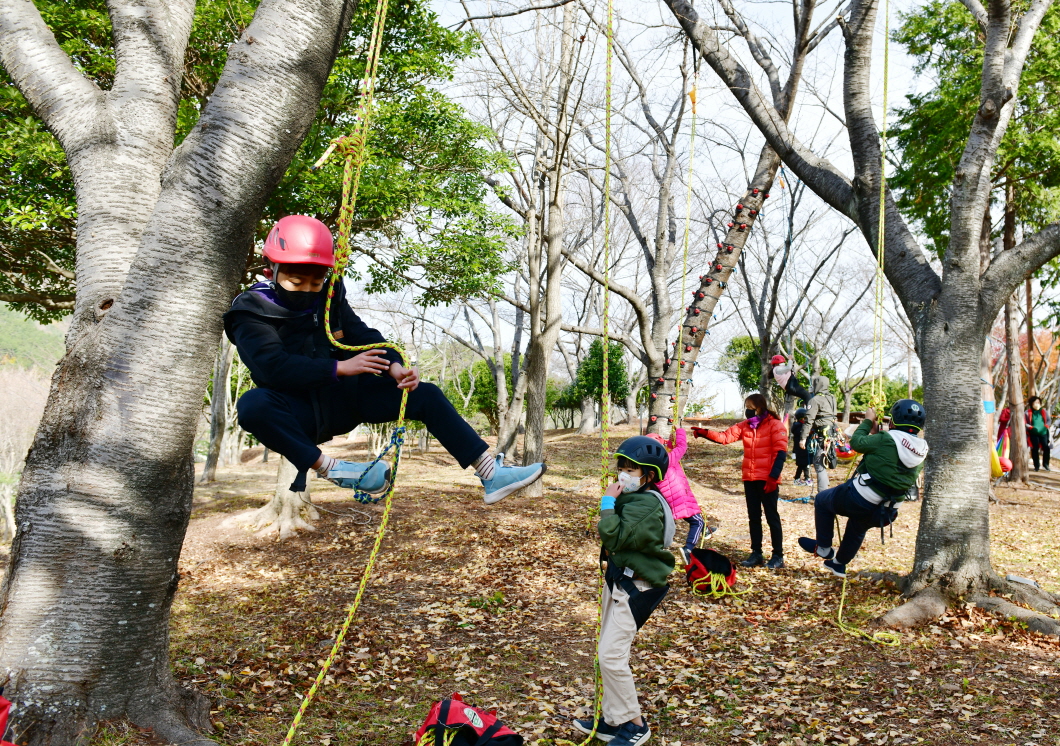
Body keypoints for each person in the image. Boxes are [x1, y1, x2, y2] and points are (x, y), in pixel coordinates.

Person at [226, 215, 545, 504]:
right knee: (253, 406)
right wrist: (339, 367)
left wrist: (394, 365)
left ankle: (491, 473)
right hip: (299, 409)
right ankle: (335, 469)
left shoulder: (331, 294)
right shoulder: (251, 312)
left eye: (316, 282)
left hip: (346, 399)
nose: (308, 290)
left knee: (425, 395)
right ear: (271, 271)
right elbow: (272, 366)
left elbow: (361, 335)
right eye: (296, 283)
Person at [572, 436, 675, 746]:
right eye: (622, 467)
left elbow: (615, 537)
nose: (623, 474)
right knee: (606, 653)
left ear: (649, 476)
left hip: (635, 589)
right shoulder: (635, 498)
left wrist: (607, 504)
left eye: (631, 470)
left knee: (611, 655)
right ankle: (613, 720)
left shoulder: (645, 506)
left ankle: (635, 724)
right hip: (620, 581)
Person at [798, 400, 928, 578]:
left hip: (860, 498)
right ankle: (838, 564)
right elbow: (893, 452)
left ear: (893, 421)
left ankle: (824, 548)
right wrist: (877, 434)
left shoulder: (886, 438)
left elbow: (858, 443)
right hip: (888, 510)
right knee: (858, 527)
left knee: (822, 501)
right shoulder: (922, 447)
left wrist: (867, 421)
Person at [692, 393, 788, 569]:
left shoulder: (775, 425)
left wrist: (773, 478)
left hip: (767, 479)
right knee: (753, 517)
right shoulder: (746, 426)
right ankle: (756, 553)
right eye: (746, 407)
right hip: (750, 478)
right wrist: (705, 433)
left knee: (771, 517)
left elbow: (780, 452)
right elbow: (725, 437)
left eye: (750, 407)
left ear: (759, 407)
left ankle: (778, 555)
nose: (747, 411)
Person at [645, 430, 716, 565]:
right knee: (697, 521)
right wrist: (680, 432)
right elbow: (681, 448)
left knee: (695, 517)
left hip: (672, 498)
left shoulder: (652, 464)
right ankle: (688, 549)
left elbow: (671, 448)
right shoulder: (667, 460)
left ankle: (706, 530)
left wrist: (673, 436)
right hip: (679, 497)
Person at [771, 360, 837, 493]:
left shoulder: (815, 400)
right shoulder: (832, 398)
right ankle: (825, 490)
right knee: (827, 460)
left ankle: (822, 494)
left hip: (820, 434)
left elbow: (809, 420)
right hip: (832, 433)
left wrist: (803, 438)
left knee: (819, 465)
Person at [1026, 396, 1051, 472]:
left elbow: (1049, 421)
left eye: (1038, 402)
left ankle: (1046, 464)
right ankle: (1036, 466)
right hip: (1033, 433)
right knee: (1034, 449)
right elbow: (1025, 422)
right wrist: (1031, 427)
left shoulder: (1044, 411)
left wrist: (1046, 426)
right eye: (1035, 402)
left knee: (1046, 448)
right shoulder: (1028, 412)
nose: (1037, 404)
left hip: (1044, 433)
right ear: (1031, 403)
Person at [790, 407, 810, 485]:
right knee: (803, 464)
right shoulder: (800, 427)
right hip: (801, 449)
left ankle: (802, 478)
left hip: (801, 449)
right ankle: (802, 478)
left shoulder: (798, 426)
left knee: (803, 464)